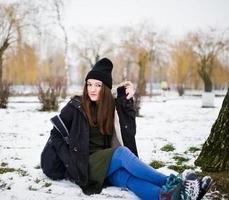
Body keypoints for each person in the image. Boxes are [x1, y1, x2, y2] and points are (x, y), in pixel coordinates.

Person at [41, 58, 212, 200]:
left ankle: (173, 196)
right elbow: (55, 135)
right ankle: (176, 182)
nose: (92, 89)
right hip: (83, 164)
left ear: (105, 89)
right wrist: (70, 160)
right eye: (89, 84)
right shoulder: (75, 106)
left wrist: (126, 98)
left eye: (98, 85)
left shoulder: (110, 107)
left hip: (103, 164)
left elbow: (129, 130)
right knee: (121, 153)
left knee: (126, 178)